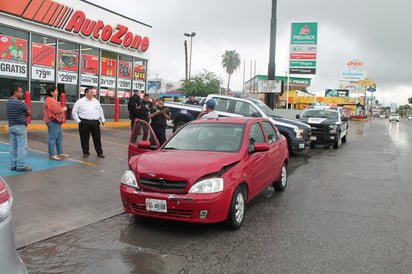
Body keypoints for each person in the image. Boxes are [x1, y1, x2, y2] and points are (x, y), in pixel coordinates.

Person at [72, 87, 106, 158]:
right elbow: (74, 111)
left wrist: (102, 119)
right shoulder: (80, 102)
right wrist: (78, 121)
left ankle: (99, 152)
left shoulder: (96, 101)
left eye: (93, 92)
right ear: (86, 93)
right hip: (84, 122)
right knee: (84, 138)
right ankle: (86, 152)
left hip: (95, 122)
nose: (92, 94)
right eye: (91, 92)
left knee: (97, 138)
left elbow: (100, 110)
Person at [6, 84, 32, 172]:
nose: (22, 94)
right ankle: (21, 165)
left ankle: (13, 165)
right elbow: (29, 112)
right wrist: (23, 114)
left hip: (12, 126)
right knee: (22, 146)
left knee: (13, 146)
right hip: (20, 126)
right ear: (16, 93)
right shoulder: (20, 103)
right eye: (20, 92)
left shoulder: (8, 102)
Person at [43, 84, 69, 161]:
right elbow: (53, 110)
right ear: (52, 92)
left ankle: (60, 152)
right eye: (56, 91)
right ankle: (52, 154)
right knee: (53, 138)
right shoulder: (50, 100)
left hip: (57, 122)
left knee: (59, 137)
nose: (57, 92)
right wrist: (63, 109)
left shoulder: (51, 100)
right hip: (53, 121)